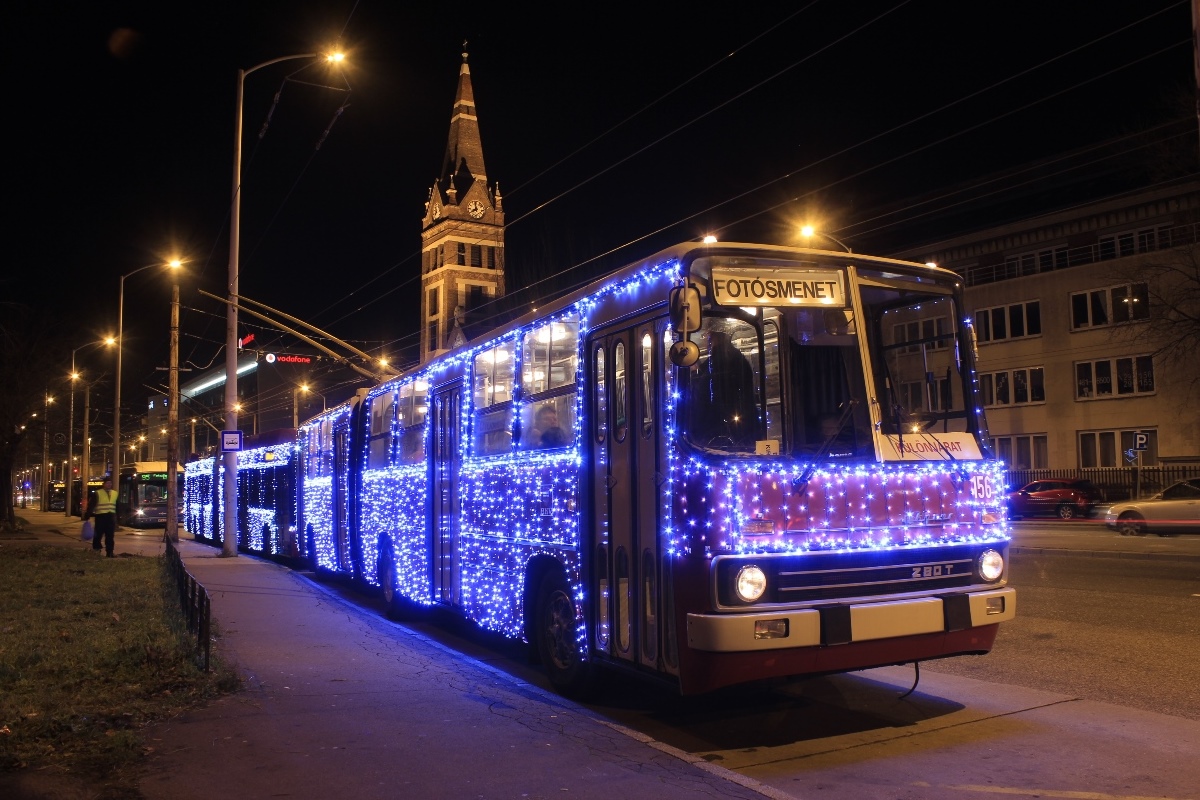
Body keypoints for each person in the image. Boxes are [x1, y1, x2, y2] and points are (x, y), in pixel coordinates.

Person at [84, 476, 118, 557]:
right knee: (98, 535)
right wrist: (88, 514)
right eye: (107, 483)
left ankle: (109, 552)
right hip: (100, 517)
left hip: (110, 517)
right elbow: (92, 504)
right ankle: (96, 550)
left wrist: (118, 517)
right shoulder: (98, 493)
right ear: (104, 484)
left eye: (110, 483)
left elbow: (118, 505)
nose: (109, 484)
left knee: (110, 536)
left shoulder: (115, 493)